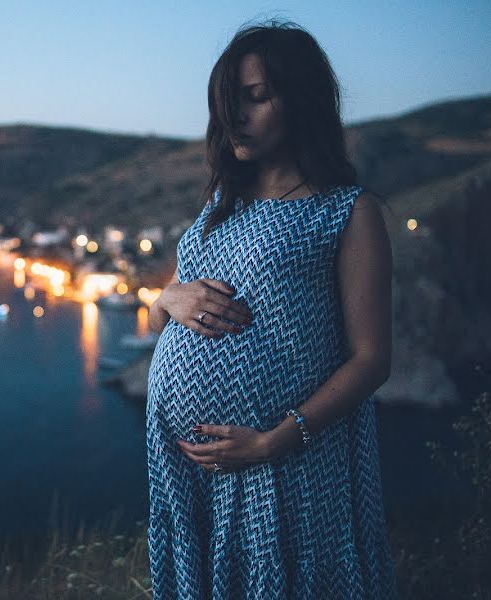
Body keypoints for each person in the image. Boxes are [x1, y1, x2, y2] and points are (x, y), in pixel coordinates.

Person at [145, 20, 399, 599]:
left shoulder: (345, 212)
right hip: (189, 473)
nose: (237, 116)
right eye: (230, 101)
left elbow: (371, 360)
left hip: (281, 466)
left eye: (257, 97)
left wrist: (273, 442)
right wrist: (165, 295)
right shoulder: (218, 205)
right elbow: (167, 322)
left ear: (302, 101)